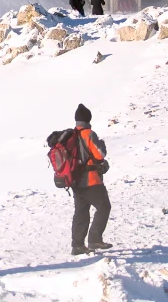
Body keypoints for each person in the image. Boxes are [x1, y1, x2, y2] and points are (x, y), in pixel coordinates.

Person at [70, 104, 112, 255]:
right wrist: (101, 145)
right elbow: (99, 154)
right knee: (104, 206)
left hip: (74, 180)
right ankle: (94, 239)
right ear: (88, 119)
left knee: (81, 211)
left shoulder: (70, 135)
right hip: (90, 179)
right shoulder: (88, 134)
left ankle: (77, 245)